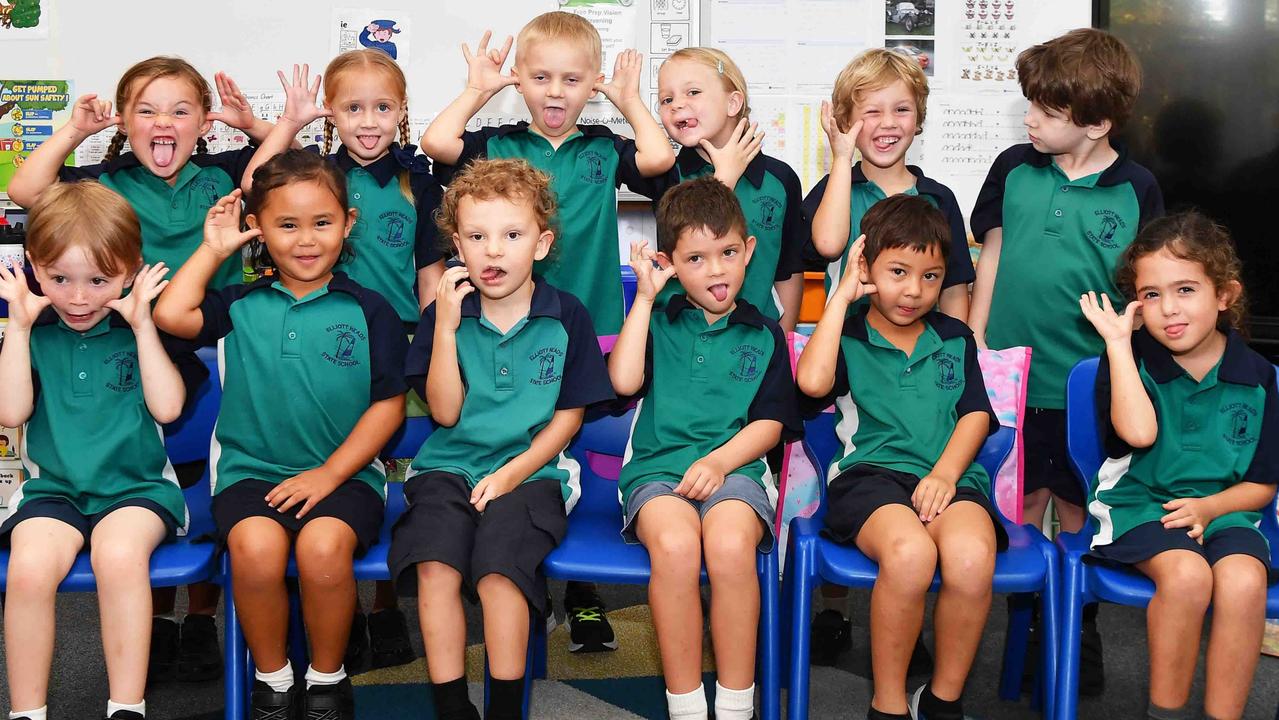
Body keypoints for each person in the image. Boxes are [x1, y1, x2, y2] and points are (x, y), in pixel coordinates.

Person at [6, 56, 283, 681]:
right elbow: (26, 192)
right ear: (124, 121)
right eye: (147, 110)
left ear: (205, 122)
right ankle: (156, 622)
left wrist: (264, 123)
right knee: (144, 466)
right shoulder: (107, 180)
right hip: (121, 331)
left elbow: (279, 172)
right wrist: (72, 132)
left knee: (201, 472)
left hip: (203, 338)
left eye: (181, 110)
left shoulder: (223, 174)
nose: (164, 123)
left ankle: (200, 619)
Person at [420, 11, 676, 650]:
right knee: (530, 439)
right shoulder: (500, 140)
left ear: (592, 84)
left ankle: (583, 596)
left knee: (584, 451)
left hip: (593, 326)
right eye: (539, 77)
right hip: (518, 321)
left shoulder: (602, 147)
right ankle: (524, 575)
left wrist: (629, 100)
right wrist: (479, 89)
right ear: (520, 83)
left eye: (571, 78)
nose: (555, 91)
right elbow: (437, 142)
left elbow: (659, 156)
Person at [154, 149, 409, 720]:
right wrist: (214, 249)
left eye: (322, 222)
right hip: (253, 474)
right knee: (255, 550)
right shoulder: (240, 303)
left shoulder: (372, 311)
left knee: (322, 551)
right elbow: (171, 314)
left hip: (345, 475)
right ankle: (272, 679)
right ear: (259, 231)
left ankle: (327, 677)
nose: (305, 239)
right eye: (286, 225)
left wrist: (329, 474)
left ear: (348, 224)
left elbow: (388, 407)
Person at [967, 28, 1164, 693]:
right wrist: (974, 339)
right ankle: (1022, 622)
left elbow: (1145, 291)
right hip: (1008, 375)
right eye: (1031, 106)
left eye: (1048, 113)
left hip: (1087, 385)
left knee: (1080, 507)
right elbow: (988, 254)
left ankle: (1077, 625)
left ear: (1097, 122)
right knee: (1018, 501)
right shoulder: (1012, 168)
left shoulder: (1136, 188)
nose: (1030, 120)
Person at [387, 158, 614, 720]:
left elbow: (568, 419)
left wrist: (511, 474)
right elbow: (443, 411)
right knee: (436, 564)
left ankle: (506, 709)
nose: (493, 251)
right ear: (457, 243)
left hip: (533, 472)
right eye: (477, 236)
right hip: (448, 466)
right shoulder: (445, 315)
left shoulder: (568, 316)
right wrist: (442, 323)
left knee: (500, 570)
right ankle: (451, 707)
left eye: (511, 235)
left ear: (541, 244)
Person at [0, 181, 206, 720]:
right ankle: (26, 712)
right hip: (54, 493)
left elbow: (167, 409)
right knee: (27, 569)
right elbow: (11, 413)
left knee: (118, 556)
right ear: (33, 267)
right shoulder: (34, 331)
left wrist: (141, 325)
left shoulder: (145, 327)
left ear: (131, 270)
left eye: (98, 280)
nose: (78, 296)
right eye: (59, 278)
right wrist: (18, 331)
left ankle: (126, 706)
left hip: (137, 491)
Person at [796, 195, 1005, 720]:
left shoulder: (954, 336)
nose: (914, 290)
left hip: (950, 478)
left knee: (972, 557)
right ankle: (887, 703)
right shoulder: (847, 332)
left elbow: (975, 416)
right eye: (898, 271)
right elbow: (813, 384)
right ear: (865, 266)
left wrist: (945, 473)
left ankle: (941, 701)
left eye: (931, 277)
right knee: (910, 555)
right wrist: (840, 299)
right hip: (869, 479)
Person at [610, 176, 800, 720]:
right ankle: (687, 707)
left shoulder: (765, 334)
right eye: (696, 258)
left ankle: (737, 706)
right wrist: (645, 298)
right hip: (656, 472)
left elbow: (770, 426)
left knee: (730, 545)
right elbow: (623, 382)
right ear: (670, 262)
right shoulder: (658, 318)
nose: (716, 270)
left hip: (735, 470)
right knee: (674, 546)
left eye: (728, 253)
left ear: (750, 251)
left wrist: (718, 462)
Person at [1080, 211, 1276, 720]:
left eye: (1185, 289)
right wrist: (1119, 346)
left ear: (1225, 295)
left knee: (1243, 581)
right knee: (1187, 577)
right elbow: (1139, 435)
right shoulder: (1128, 361)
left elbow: (1261, 486)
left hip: (1225, 510)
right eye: (1150, 295)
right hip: (1137, 505)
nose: (1168, 309)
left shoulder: (1257, 377)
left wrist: (1210, 507)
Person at [634, 47, 806, 331]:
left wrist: (782, 340)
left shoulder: (780, 179)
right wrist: (726, 176)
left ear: (733, 103)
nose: (676, 105)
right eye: (666, 99)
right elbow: (692, 232)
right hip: (682, 338)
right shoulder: (668, 175)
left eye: (692, 92)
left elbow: (787, 270)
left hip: (756, 340)